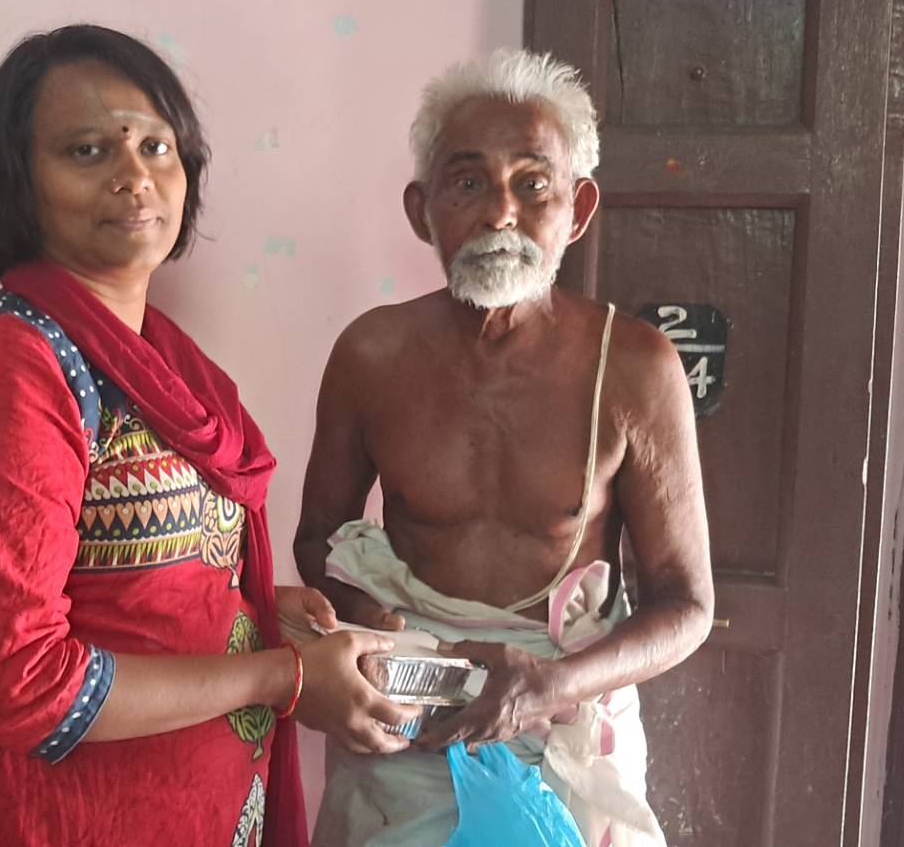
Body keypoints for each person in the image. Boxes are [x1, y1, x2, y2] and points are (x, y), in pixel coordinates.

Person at [0, 25, 415, 847]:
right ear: (20, 182)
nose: (135, 175)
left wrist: (261, 611)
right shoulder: (8, 369)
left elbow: (137, 588)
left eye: (157, 146)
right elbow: (23, 688)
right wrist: (282, 676)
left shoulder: (158, 361)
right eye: (88, 151)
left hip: (176, 803)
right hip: (38, 813)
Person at [294, 48, 715, 846]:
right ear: (422, 211)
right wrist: (384, 631)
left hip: (565, 711)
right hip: (409, 712)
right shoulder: (370, 355)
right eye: (467, 184)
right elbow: (318, 538)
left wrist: (547, 685)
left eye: (533, 184)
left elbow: (687, 607)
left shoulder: (635, 367)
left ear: (578, 207)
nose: (499, 215)